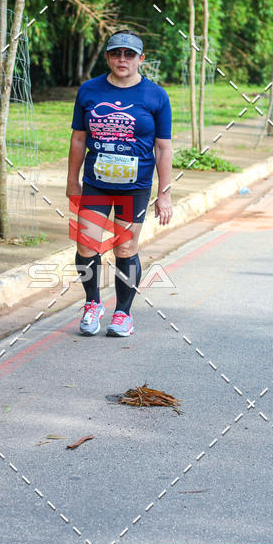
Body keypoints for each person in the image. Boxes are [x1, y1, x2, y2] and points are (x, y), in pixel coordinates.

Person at [66, 31, 173, 337]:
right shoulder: (89, 91)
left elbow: (163, 148)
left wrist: (164, 194)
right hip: (96, 183)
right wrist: (72, 180)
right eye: (116, 54)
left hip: (135, 185)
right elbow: (78, 139)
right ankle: (92, 304)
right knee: (86, 245)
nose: (122, 60)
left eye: (129, 55)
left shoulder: (155, 95)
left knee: (124, 248)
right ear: (108, 58)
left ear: (141, 58)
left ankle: (123, 314)